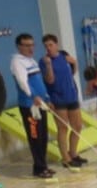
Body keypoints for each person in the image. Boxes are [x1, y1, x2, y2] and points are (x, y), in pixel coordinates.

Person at [10, 33, 54, 179]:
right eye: (27, 45)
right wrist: (32, 96)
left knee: (43, 136)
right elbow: (23, 82)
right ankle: (40, 168)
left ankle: (42, 166)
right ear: (19, 46)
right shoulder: (17, 62)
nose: (31, 48)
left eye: (32, 45)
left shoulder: (32, 61)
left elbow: (39, 82)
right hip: (30, 106)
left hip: (40, 104)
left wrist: (47, 98)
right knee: (35, 136)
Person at [41, 34, 87, 169]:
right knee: (63, 128)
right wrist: (49, 65)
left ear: (56, 45)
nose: (48, 48)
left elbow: (71, 73)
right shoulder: (44, 61)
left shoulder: (63, 56)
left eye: (51, 45)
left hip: (71, 95)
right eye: (46, 46)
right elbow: (50, 80)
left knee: (77, 126)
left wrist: (74, 63)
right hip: (57, 98)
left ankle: (73, 153)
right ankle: (65, 158)